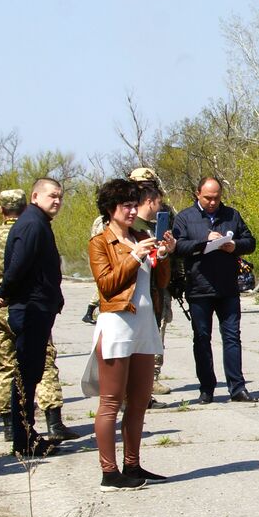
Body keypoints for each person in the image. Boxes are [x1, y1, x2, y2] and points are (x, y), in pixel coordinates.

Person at [89, 178, 177, 490]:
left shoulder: (141, 235)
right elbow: (107, 285)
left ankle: (133, 464)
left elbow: (160, 281)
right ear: (110, 209)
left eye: (133, 204)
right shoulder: (101, 242)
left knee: (139, 400)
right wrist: (135, 255)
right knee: (111, 401)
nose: (131, 210)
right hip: (116, 324)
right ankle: (109, 472)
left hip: (143, 323)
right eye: (125, 205)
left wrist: (165, 254)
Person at [0, 190, 72, 443]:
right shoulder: (32, 224)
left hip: (35, 306)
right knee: (26, 372)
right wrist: (4, 292)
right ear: (34, 196)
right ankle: (24, 437)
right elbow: (18, 265)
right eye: (51, 195)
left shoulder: (36, 221)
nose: (56, 200)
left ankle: (25, 433)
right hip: (30, 308)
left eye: (60, 197)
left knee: (29, 372)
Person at [171, 176, 257, 404]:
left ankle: (237, 388)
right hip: (199, 288)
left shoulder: (231, 215)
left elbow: (250, 241)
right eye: (208, 198)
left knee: (232, 338)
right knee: (202, 338)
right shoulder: (185, 218)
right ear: (198, 194)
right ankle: (206, 388)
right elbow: (177, 247)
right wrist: (203, 240)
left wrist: (234, 245)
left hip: (228, 287)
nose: (212, 202)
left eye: (216, 198)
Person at [127, 168, 177, 398]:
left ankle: (151, 378)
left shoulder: (164, 212)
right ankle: (132, 388)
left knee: (156, 333)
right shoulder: (119, 216)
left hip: (158, 286)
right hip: (129, 290)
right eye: (139, 184)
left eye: (147, 183)